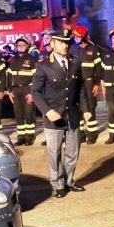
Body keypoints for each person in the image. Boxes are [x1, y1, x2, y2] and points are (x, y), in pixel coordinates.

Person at [31, 29, 92, 198]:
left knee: (73, 152)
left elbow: (80, 89)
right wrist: (48, 111)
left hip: (72, 115)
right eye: (61, 42)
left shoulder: (75, 62)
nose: (65, 46)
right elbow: (35, 92)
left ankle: (69, 181)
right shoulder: (43, 65)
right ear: (52, 44)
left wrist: (86, 109)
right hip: (53, 117)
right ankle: (57, 184)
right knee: (54, 153)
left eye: (67, 42)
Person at [70, 25, 102, 144]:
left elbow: (98, 68)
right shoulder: (73, 49)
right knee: (78, 108)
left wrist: (97, 84)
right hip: (77, 83)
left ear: (83, 37)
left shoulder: (93, 49)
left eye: (78, 36)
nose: (75, 38)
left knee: (90, 107)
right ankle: (81, 134)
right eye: (75, 36)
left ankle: (92, 134)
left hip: (89, 83)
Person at [7, 37, 38, 146]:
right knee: (18, 114)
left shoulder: (32, 59)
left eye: (23, 45)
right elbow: (9, 76)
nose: (20, 47)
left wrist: (32, 92)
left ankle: (29, 136)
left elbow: (36, 77)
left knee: (29, 113)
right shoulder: (13, 59)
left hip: (27, 89)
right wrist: (9, 91)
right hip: (15, 90)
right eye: (18, 45)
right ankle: (21, 137)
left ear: (27, 46)